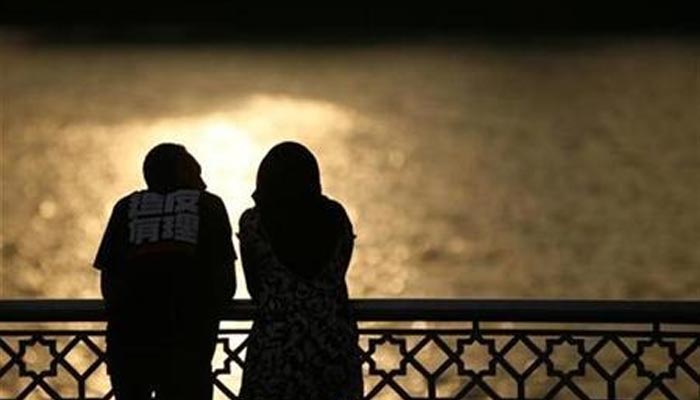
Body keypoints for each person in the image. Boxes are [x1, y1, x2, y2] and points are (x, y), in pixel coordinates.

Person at [93, 143, 236, 400]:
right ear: (182, 173)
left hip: (128, 352)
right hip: (188, 354)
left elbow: (109, 284)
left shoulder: (124, 208)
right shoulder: (210, 206)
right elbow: (226, 285)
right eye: (196, 173)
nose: (203, 184)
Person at [238, 141, 363, 400]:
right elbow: (339, 271)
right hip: (333, 347)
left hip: (275, 351)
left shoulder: (254, 223)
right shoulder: (336, 217)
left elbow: (255, 288)